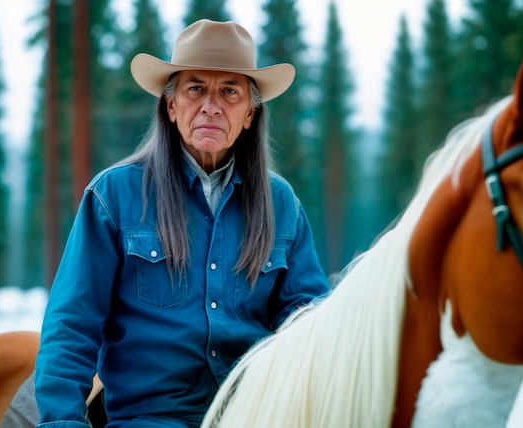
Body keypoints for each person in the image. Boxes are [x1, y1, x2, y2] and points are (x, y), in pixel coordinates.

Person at [34, 19, 329, 428]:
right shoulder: (113, 196)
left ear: (249, 114)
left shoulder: (282, 204)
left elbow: (308, 320)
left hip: (257, 415)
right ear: (171, 107)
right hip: (150, 419)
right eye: (195, 89)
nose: (211, 105)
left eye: (230, 91)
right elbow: (71, 326)